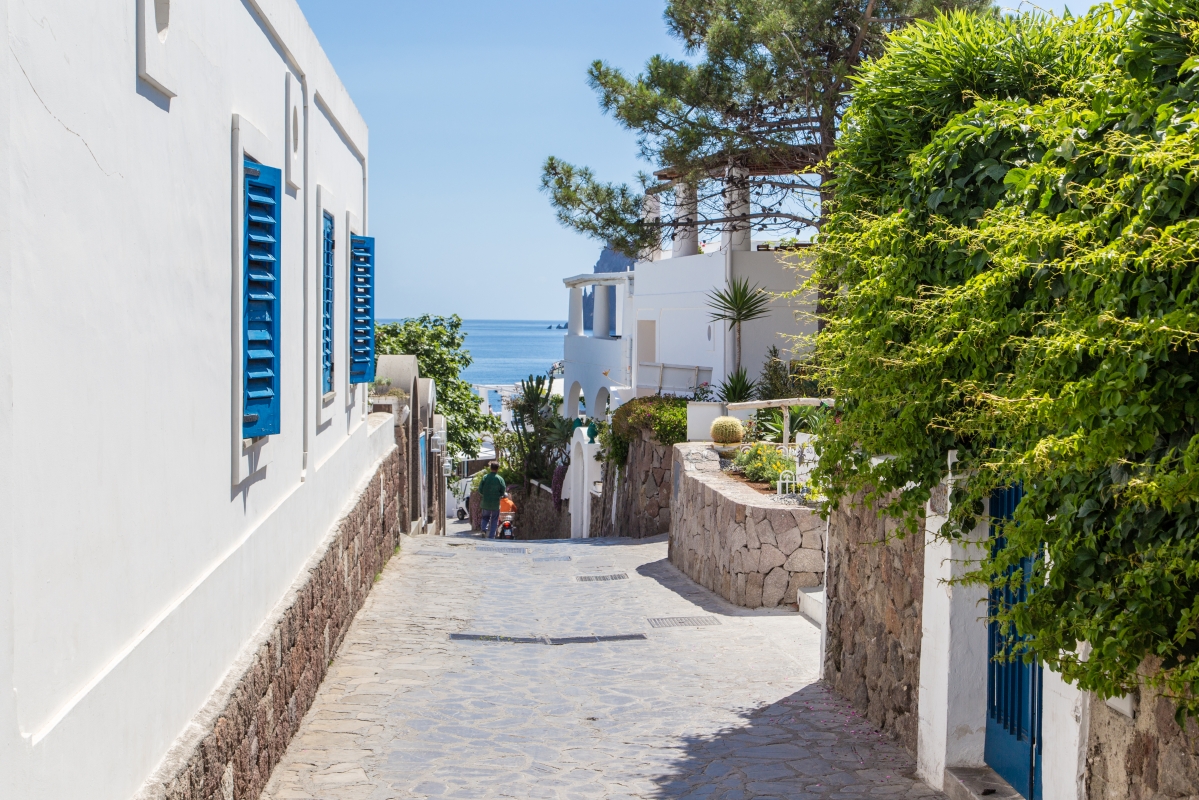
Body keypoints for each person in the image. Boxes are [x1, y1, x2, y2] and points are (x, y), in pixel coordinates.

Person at [478, 461, 507, 539]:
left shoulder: (485, 477)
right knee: (494, 520)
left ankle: (483, 530)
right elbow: (503, 490)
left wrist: (484, 494)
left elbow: (480, 489)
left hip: (486, 502)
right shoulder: (500, 479)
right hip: (495, 503)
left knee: (485, 517)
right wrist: (499, 495)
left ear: (490, 468)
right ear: (497, 469)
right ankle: (492, 536)